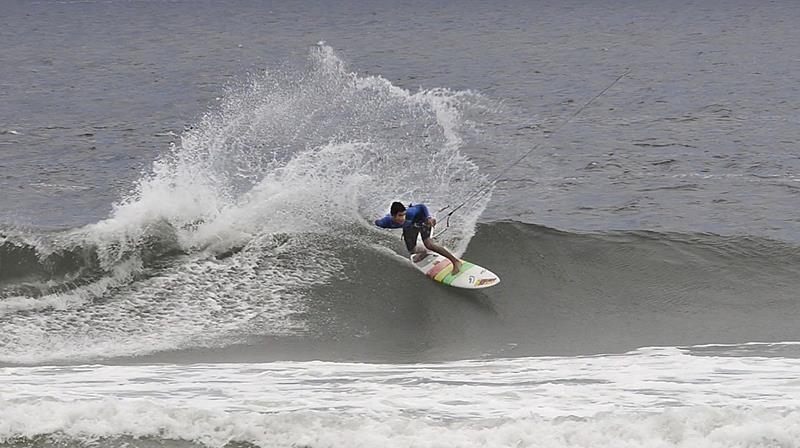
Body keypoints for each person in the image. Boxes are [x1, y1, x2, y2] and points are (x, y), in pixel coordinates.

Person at [374, 201, 463, 274]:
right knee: (412, 251)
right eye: (400, 215)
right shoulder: (384, 222)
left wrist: (428, 218)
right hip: (409, 228)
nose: (403, 217)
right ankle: (424, 252)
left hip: (422, 221)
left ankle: (455, 262)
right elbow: (376, 222)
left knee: (429, 244)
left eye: (404, 214)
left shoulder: (410, 213)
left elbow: (421, 206)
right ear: (393, 215)